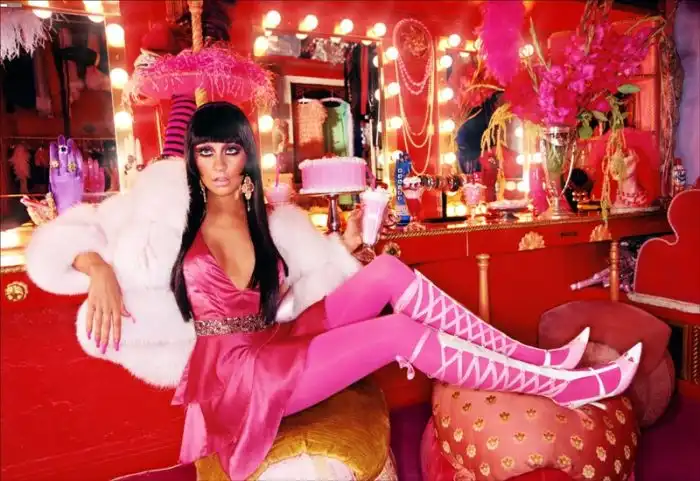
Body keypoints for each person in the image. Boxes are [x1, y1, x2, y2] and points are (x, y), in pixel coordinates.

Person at [26, 102, 642, 479]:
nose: (217, 165)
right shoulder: (168, 211)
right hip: (238, 379)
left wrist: (342, 248)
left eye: (229, 151)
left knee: (388, 276)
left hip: (273, 340)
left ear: (246, 156)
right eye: (205, 152)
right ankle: (565, 384)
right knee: (398, 331)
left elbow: (302, 283)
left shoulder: (267, 217)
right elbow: (71, 236)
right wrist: (96, 265)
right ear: (193, 158)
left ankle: (540, 361)